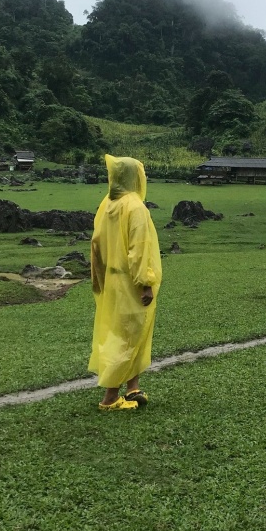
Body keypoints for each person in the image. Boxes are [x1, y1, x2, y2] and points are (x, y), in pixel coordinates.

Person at [89, 154, 162, 411]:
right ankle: (110, 399)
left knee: (131, 332)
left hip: (112, 280)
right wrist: (145, 283)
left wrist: (98, 278)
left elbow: (95, 244)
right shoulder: (136, 208)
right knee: (127, 335)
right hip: (131, 282)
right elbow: (139, 249)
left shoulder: (107, 204)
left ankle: (132, 388)